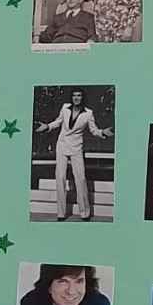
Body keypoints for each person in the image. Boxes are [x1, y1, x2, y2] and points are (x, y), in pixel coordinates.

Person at [35, 88, 113, 221]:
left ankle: (85, 213)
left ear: (83, 98)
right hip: (62, 145)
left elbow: (94, 130)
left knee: (81, 179)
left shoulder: (88, 113)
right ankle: (61, 213)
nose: (76, 98)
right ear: (71, 97)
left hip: (76, 148)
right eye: (74, 95)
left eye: (79, 95)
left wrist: (103, 132)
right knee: (60, 178)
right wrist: (47, 127)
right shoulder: (65, 108)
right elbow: (58, 122)